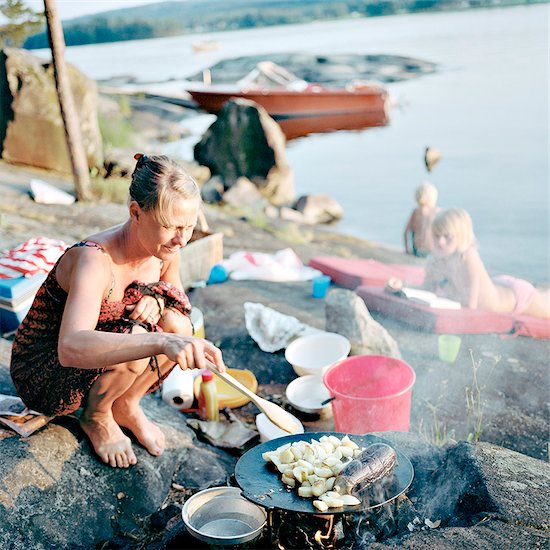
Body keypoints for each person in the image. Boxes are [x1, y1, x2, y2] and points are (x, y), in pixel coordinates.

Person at [10, 153, 226, 468]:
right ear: (135, 213)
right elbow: (70, 347)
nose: (181, 239)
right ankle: (97, 416)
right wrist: (161, 342)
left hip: (103, 360)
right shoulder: (94, 260)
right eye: (171, 226)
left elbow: (178, 301)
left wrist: (157, 298)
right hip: (46, 370)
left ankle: (124, 403)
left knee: (179, 326)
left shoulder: (166, 248)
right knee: (147, 336)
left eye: (189, 227)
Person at [422, 208, 550, 318]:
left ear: (461, 236)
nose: (441, 242)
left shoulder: (468, 255)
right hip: (498, 286)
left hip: (515, 298)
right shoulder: (442, 259)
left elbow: (470, 307)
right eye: (436, 236)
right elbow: (426, 290)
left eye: (447, 236)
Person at [403, 181, 439, 257]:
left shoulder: (416, 211)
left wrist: (407, 250)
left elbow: (406, 232)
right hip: (434, 251)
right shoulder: (438, 212)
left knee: (414, 230)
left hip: (419, 251)